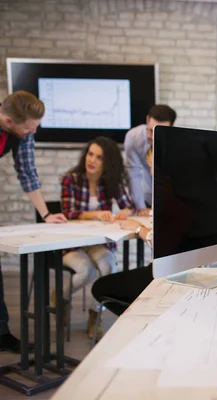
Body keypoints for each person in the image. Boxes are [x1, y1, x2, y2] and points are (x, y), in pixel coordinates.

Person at [0, 91, 67, 353]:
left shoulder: (24, 131)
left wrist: (47, 215)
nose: (32, 131)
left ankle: (1, 333)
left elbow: (27, 172)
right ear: (8, 121)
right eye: (29, 128)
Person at [60, 136, 134, 338]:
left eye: (99, 157)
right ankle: (60, 298)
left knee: (109, 268)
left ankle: (95, 314)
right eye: (90, 154)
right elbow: (68, 213)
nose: (91, 160)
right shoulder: (71, 178)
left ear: (107, 162)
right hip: (73, 243)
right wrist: (96, 214)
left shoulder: (110, 181)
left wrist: (123, 213)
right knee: (86, 271)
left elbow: (129, 206)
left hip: (98, 242)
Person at [124, 104, 176, 216]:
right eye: (151, 131)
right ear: (147, 120)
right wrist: (141, 207)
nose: (152, 136)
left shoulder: (176, 144)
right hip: (143, 197)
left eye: (159, 133)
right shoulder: (133, 137)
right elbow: (134, 173)